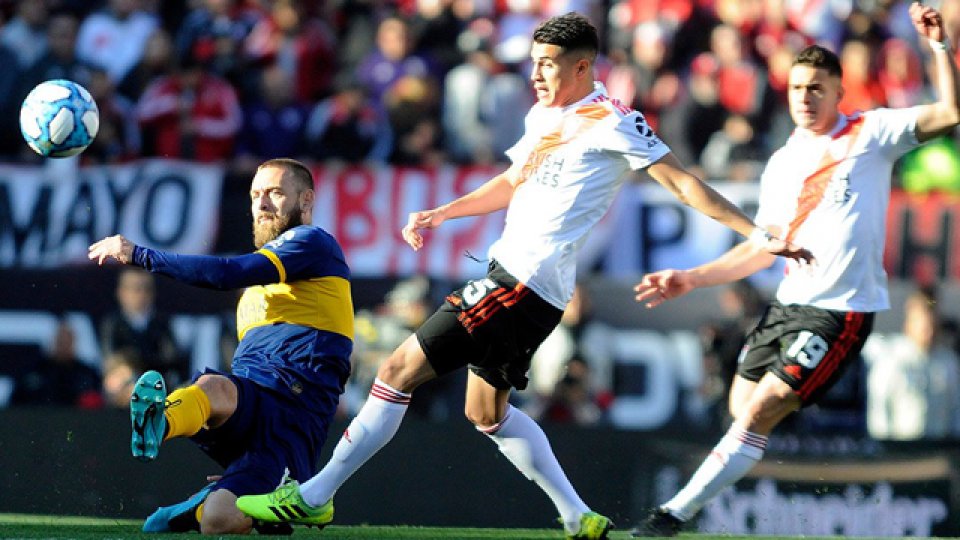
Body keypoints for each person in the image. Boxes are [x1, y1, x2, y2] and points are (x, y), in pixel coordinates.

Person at [235, 12, 809, 539]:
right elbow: (512, 181)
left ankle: (314, 495)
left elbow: (683, 183)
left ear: (583, 66)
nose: (535, 72)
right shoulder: (544, 116)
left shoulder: (614, 121)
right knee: (486, 412)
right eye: (533, 60)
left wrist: (754, 231)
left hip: (520, 281)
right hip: (531, 287)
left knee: (396, 368)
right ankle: (577, 515)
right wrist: (444, 212)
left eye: (549, 63)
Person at [630, 3, 959, 536]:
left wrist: (938, 46)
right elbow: (764, 246)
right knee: (741, 410)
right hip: (789, 306)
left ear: (838, 92)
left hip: (841, 312)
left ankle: (672, 516)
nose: (805, 98)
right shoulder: (782, 163)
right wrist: (693, 277)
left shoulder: (871, 133)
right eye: (797, 88)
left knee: (760, 409)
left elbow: (950, 112)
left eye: (816, 88)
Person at [87, 158, 354, 535]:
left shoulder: (314, 243)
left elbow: (227, 273)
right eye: (255, 195)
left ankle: (209, 503)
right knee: (214, 386)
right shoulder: (256, 295)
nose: (261, 204)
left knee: (218, 520)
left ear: (306, 200)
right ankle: (159, 423)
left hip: (292, 418)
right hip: (250, 400)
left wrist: (139, 254)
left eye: (275, 193)